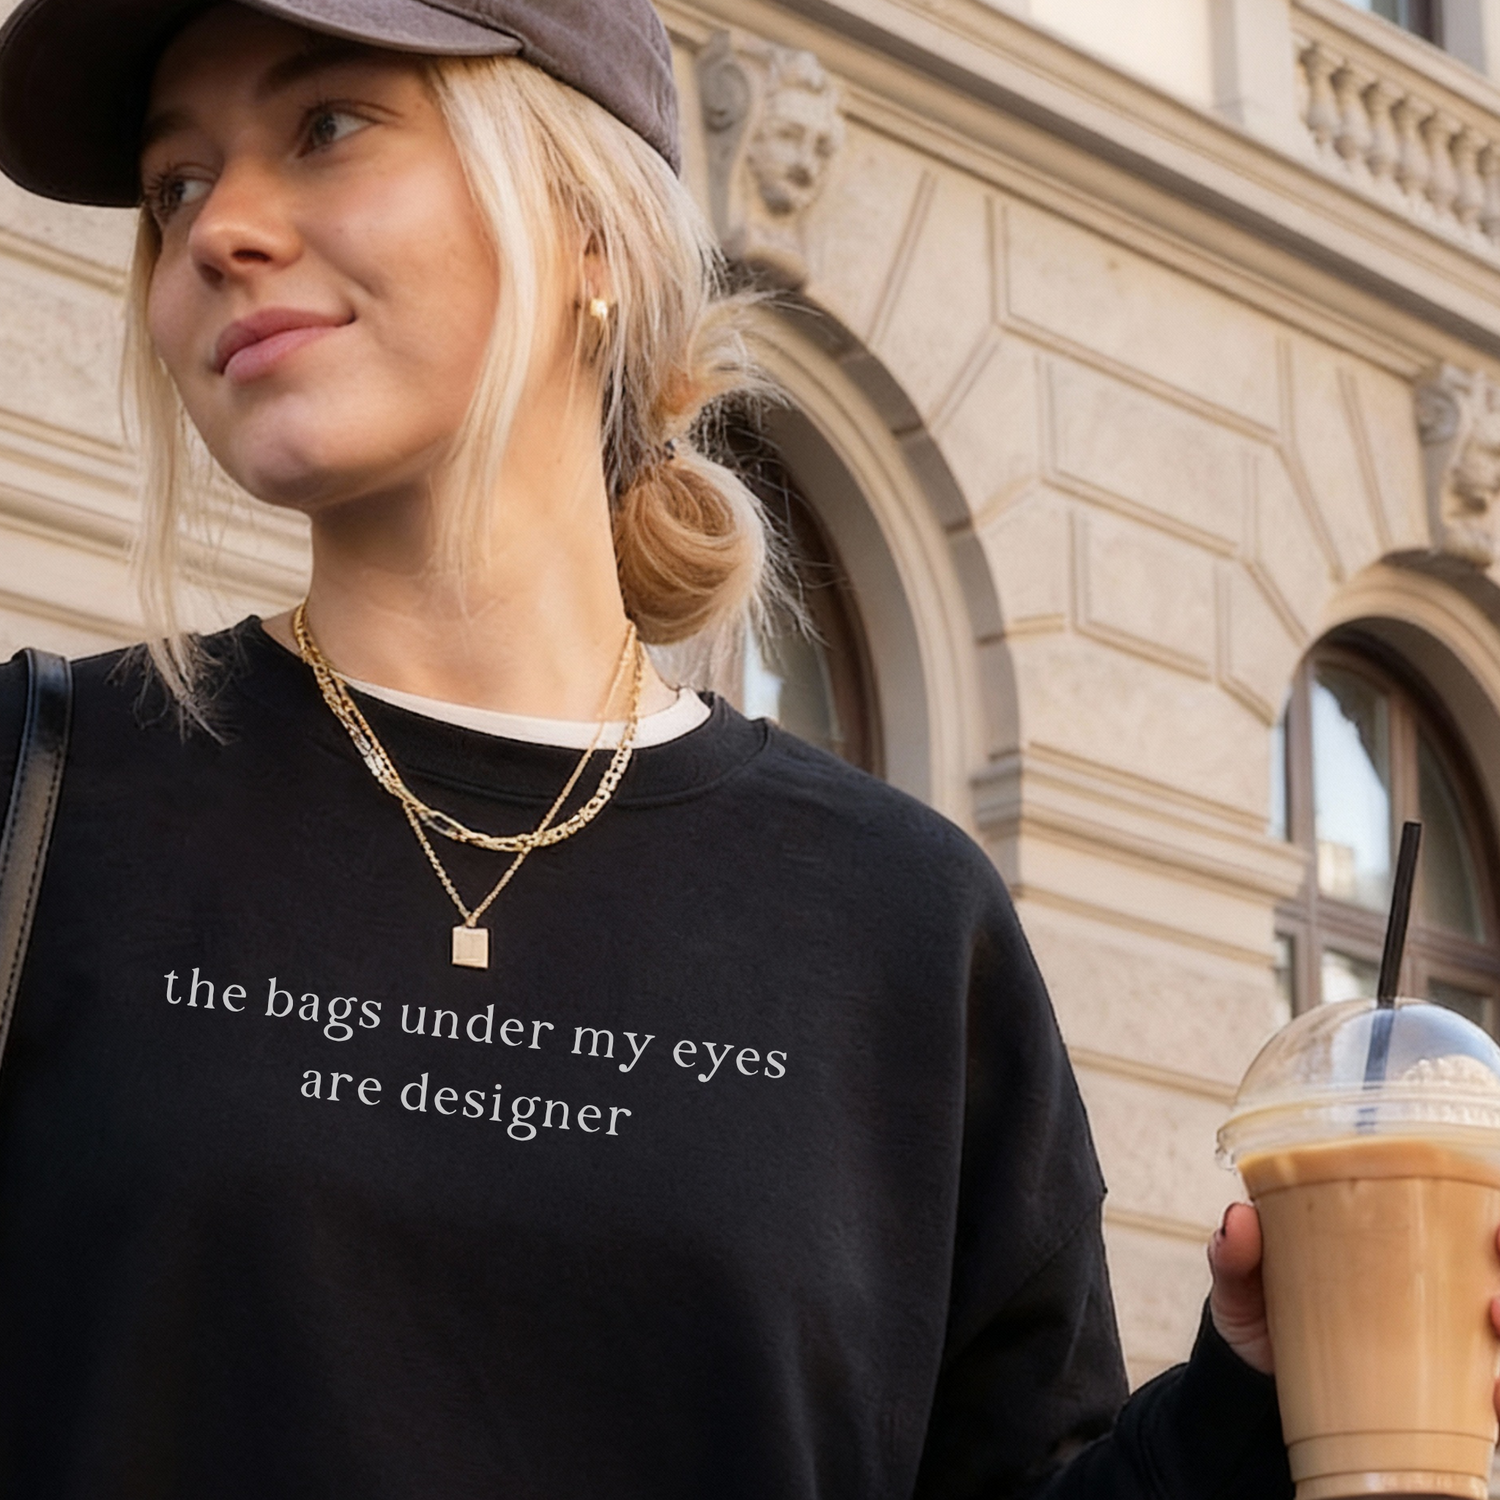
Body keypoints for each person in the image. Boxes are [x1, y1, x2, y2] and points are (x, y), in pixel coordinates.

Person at [0, 0, 1469, 1494]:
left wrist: (1254, 1391)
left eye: (325, 126)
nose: (218, 228)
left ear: (589, 229)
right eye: (175, 182)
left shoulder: (897, 918)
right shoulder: (45, 799)